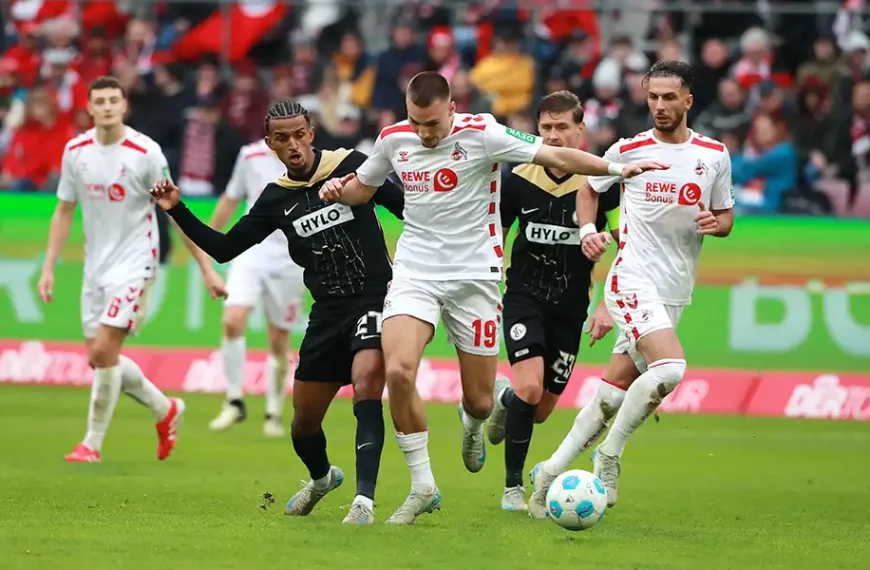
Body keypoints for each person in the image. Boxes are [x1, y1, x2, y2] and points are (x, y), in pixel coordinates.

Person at [318, 71, 667, 524]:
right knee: (399, 371)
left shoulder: (483, 133)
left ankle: (475, 420)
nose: (424, 134)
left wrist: (618, 169)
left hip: (475, 279)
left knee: (482, 400)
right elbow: (362, 189)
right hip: (415, 272)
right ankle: (422, 486)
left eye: (433, 125)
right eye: (416, 123)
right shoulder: (392, 139)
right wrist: (338, 190)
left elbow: (556, 153)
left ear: (452, 110)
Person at [150, 100, 405, 525]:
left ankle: (364, 501)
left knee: (366, 384)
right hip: (325, 313)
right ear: (270, 144)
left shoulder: (355, 166)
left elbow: (407, 210)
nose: (293, 144)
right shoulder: (275, 199)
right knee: (303, 424)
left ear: (311, 134)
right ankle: (323, 478)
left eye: (299, 134)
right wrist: (176, 207)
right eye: (282, 138)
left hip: (373, 298)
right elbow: (225, 248)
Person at [528, 60, 735, 514]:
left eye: (668, 97)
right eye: (653, 97)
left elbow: (725, 218)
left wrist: (713, 224)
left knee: (612, 393)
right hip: (632, 278)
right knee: (670, 369)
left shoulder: (714, 155)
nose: (659, 106)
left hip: (675, 288)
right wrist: (587, 233)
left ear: (688, 101)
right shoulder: (628, 149)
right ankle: (609, 455)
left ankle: (548, 471)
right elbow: (589, 190)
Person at [37, 76, 224, 463]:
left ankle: (91, 444)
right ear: (89, 108)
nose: (106, 106)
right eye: (99, 100)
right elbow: (63, 210)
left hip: (137, 263)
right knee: (100, 357)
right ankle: (165, 409)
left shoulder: (145, 153)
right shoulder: (76, 151)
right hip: (95, 267)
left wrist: (206, 268)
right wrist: (49, 267)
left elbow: (175, 212)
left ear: (124, 106)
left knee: (105, 351)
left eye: (113, 100)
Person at [485, 90, 619, 512]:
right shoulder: (519, 179)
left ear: (581, 130)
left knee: (538, 410)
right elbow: (493, 237)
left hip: (570, 306)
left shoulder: (600, 184)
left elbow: (632, 243)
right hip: (524, 297)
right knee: (529, 387)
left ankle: (501, 401)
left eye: (563, 127)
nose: (554, 135)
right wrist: (488, 290)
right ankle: (512, 490)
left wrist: (607, 303)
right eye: (546, 128)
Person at [206, 140, 306, 437]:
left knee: (279, 339)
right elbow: (231, 197)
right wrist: (207, 246)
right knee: (232, 319)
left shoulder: (309, 159)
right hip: (251, 252)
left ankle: (273, 412)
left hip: (291, 258)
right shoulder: (248, 155)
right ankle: (234, 400)